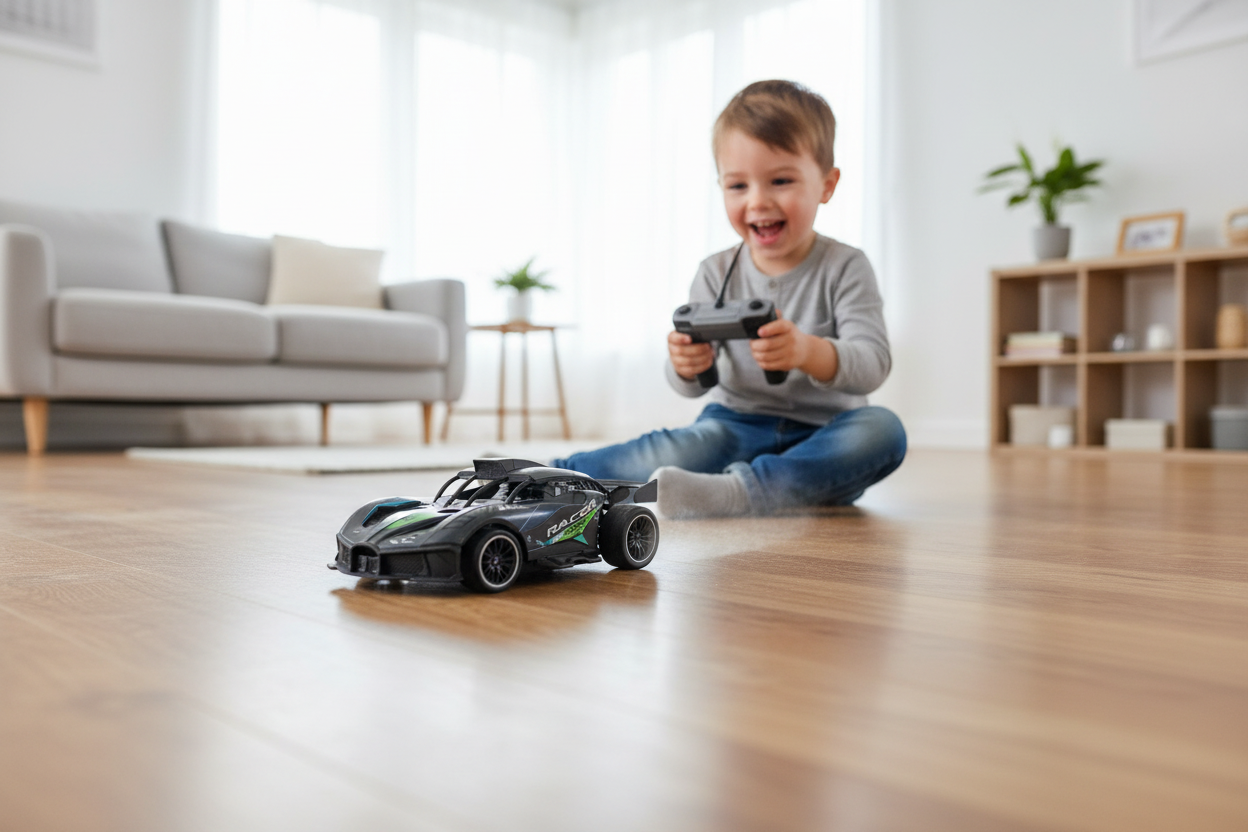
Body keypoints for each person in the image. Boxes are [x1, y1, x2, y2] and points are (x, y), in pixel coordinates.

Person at [552, 80, 905, 518]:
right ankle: (549, 475)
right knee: (671, 446)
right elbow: (691, 385)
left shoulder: (847, 266)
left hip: (825, 432)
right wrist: (686, 366)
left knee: (883, 431)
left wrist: (807, 351)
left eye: (781, 180)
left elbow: (873, 363)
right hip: (733, 427)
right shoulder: (715, 272)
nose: (758, 201)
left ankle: (737, 493)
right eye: (738, 186)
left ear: (827, 185)